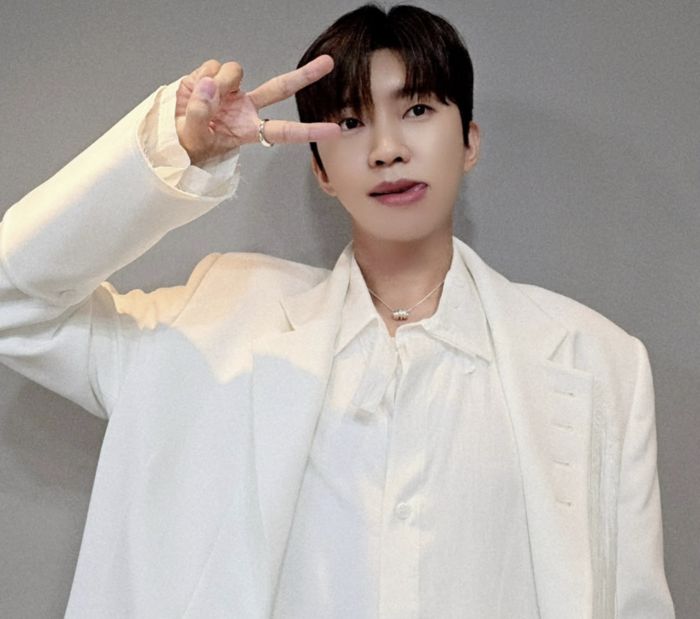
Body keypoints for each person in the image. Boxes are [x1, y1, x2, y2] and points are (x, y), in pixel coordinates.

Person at [0, 3, 674, 618]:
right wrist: (180, 154)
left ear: (469, 141)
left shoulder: (598, 362)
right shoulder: (215, 323)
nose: (387, 148)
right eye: (351, 123)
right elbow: (16, 304)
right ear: (320, 169)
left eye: (417, 110)